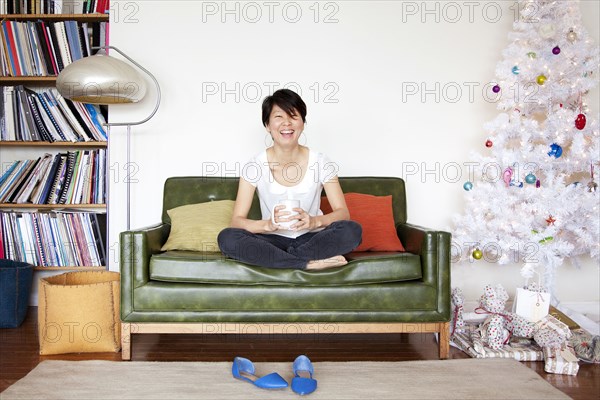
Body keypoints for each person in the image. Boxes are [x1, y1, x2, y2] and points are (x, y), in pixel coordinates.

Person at [217, 89, 362, 270]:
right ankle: (307, 264)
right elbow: (237, 222)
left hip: (312, 238)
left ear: (302, 123)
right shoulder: (254, 165)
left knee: (352, 230)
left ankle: (281, 261)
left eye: (293, 116)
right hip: (271, 240)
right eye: (278, 117)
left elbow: (343, 214)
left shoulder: (321, 162)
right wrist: (268, 225)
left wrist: (314, 221)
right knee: (227, 238)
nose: (286, 123)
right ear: (267, 125)